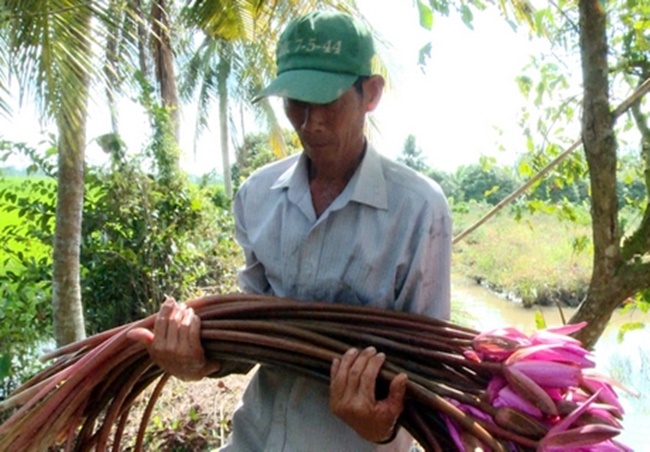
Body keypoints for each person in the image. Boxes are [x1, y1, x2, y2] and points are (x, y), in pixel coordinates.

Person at [129, 10, 451, 451]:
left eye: (328, 100)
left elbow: (430, 371)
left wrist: (381, 426)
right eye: (296, 101)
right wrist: (197, 360)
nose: (310, 121)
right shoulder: (257, 195)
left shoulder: (419, 210)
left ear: (370, 93)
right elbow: (250, 337)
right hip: (254, 440)